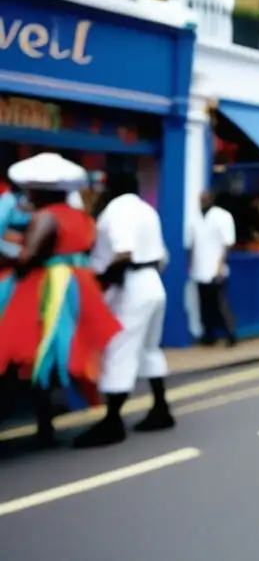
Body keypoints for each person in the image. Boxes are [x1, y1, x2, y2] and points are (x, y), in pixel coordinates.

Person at [0, 153, 121, 447]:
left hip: (45, 289)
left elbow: (28, 258)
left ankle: (43, 424)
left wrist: (6, 250)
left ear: (39, 190)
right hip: (79, 286)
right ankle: (46, 422)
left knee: (22, 353)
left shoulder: (46, 216)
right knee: (51, 355)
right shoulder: (80, 216)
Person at [73, 173, 173, 448]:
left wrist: (101, 280)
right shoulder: (147, 211)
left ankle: (112, 421)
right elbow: (163, 255)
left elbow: (124, 253)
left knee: (119, 348)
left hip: (130, 286)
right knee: (149, 349)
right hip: (153, 283)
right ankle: (161, 408)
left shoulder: (115, 212)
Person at [188, 190, 237, 346]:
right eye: (201, 199)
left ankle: (230, 334)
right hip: (199, 268)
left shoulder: (222, 216)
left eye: (205, 198)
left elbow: (227, 244)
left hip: (216, 268)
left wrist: (220, 266)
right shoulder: (195, 218)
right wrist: (190, 266)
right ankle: (209, 336)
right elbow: (192, 245)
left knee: (220, 304)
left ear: (211, 199)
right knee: (204, 305)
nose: (202, 201)